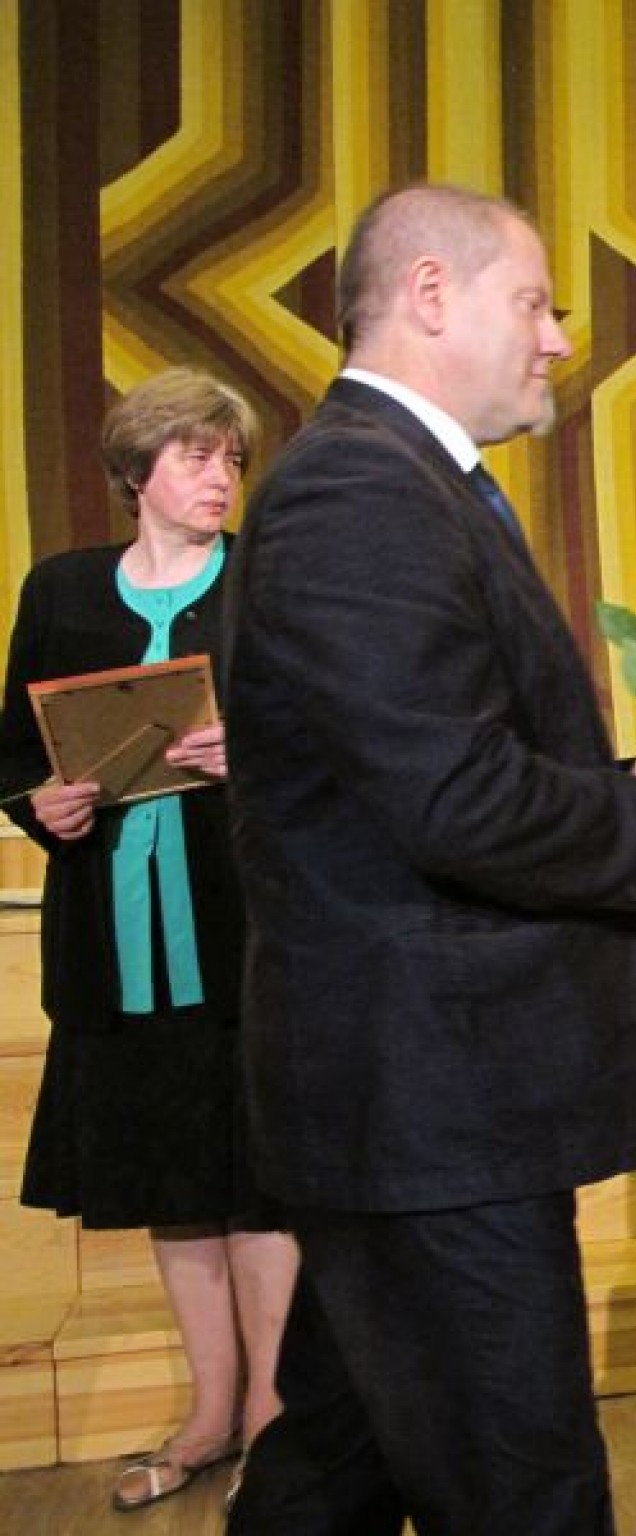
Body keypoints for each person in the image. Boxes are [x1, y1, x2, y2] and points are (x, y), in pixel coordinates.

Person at [219, 183, 636, 1535]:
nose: (559, 338)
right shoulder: (356, 491)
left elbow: (431, 771)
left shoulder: (401, 482)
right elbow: (453, 797)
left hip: (411, 1109)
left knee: (333, 1468)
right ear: (431, 294)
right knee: (521, 1495)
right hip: (430, 1113)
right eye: (536, 302)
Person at [0, 367, 298, 1515]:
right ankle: (209, 1413)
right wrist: (43, 803)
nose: (218, 476)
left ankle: (276, 1422)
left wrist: (253, 754)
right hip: (115, 939)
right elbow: (11, 750)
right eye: (193, 455)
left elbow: (333, 742)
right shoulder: (65, 589)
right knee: (176, 1181)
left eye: (230, 458)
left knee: (259, 1182)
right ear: (137, 472)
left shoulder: (264, 587)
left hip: (247, 932)